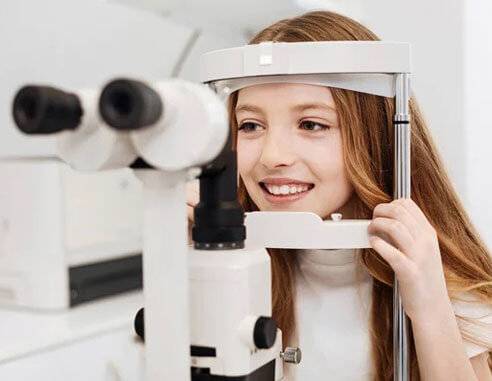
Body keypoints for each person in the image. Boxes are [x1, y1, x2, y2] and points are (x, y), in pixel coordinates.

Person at [187, 11, 492, 380]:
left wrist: (429, 303)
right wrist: (186, 267)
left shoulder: (451, 288)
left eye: (311, 124)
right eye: (250, 125)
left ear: (375, 136)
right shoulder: (234, 268)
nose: (272, 156)